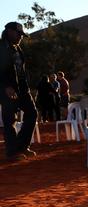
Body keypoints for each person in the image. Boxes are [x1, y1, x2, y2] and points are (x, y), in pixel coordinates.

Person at [0, 22, 38, 161]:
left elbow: (21, 70)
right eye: (18, 34)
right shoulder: (1, 48)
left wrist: (25, 86)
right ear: (9, 31)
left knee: (32, 113)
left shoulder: (18, 49)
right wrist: (5, 86)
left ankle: (21, 146)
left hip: (22, 89)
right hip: (7, 90)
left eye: (22, 35)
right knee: (10, 120)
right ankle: (12, 152)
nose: (20, 37)